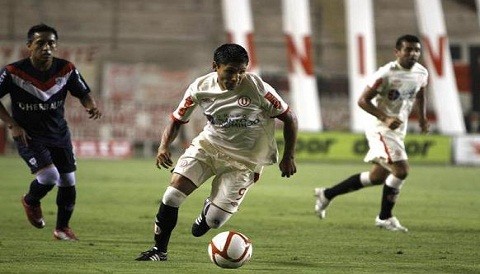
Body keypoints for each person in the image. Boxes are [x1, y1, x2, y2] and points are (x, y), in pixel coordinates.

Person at [135, 43, 298, 261]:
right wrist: (163, 146)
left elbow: (290, 118)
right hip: (208, 148)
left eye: (242, 71)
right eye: (230, 71)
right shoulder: (199, 88)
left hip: (245, 162)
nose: (237, 77)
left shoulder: (258, 88)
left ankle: (208, 212)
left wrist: (288, 156)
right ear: (215, 67)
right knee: (172, 195)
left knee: (214, 222)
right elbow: (177, 120)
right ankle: (159, 251)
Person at [314, 34, 429, 232]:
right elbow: (362, 100)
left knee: (377, 177)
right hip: (381, 128)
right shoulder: (385, 74)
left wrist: (422, 118)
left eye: (416, 50)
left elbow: (420, 94)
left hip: (398, 129)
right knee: (402, 170)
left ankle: (327, 194)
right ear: (397, 52)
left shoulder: (421, 72)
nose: (413, 54)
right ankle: (384, 217)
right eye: (408, 50)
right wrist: (385, 118)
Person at [0, 24, 102, 240]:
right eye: (40, 43)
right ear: (29, 45)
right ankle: (30, 200)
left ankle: (62, 228)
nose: (46, 47)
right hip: (28, 134)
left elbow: (83, 92)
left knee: (67, 181)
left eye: (51, 43)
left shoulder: (66, 69)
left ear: (56, 46)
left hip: (59, 134)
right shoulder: (12, 72)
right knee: (48, 176)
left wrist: (90, 105)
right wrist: (12, 124)